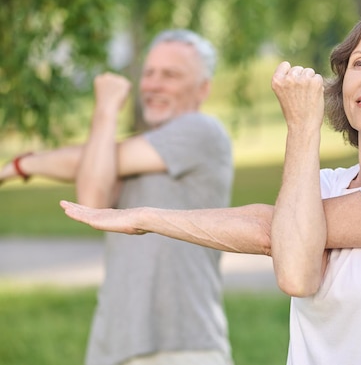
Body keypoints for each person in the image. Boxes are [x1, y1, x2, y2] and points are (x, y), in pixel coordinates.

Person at [61, 9, 361, 365]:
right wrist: (145, 215)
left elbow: (278, 241)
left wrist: (302, 125)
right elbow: (293, 260)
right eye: (359, 62)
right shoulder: (324, 186)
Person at [1, 29, 234, 365]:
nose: (153, 84)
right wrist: (22, 165)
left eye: (170, 75)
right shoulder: (125, 153)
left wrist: (106, 109)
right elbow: (92, 198)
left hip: (181, 343)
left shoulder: (203, 132)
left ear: (203, 89)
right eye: (149, 73)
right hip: (114, 343)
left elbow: (91, 178)